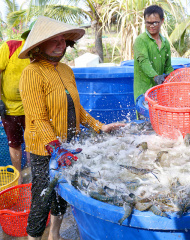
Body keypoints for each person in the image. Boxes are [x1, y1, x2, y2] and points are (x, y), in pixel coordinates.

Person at [18, 16, 125, 240]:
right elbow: (37, 116)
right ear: (38, 46)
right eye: (54, 40)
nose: (61, 44)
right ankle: (34, 237)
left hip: (69, 145)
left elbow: (77, 107)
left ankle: (54, 236)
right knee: (42, 198)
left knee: (61, 196)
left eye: (63, 40)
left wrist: (100, 126)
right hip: (43, 149)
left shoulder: (66, 70)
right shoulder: (31, 73)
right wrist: (55, 147)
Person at [0, 32, 30, 183]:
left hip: (33, 108)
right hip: (10, 109)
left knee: (33, 142)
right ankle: (18, 176)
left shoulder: (42, 53)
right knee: (14, 142)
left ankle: (33, 171)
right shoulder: (11, 47)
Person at [133, 5, 174, 102]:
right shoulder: (141, 40)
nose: (151, 26)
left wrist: (174, 77)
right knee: (145, 116)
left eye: (155, 23)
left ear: (162, 21)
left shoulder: (165, 43)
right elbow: (144, 62)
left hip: (158, 92)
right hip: (143, 92)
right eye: (148, 23)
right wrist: (155, 77)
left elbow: (168, 67)